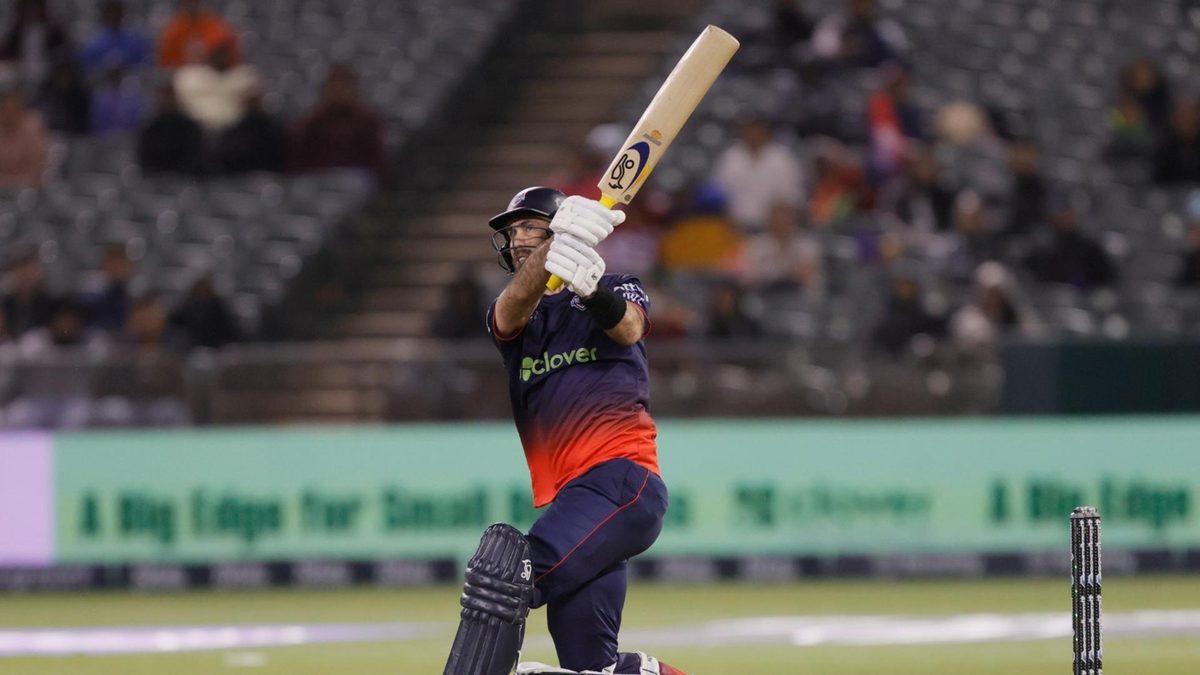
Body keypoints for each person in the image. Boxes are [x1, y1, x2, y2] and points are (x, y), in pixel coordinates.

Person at [443, 187, 683, 675]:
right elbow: (513, 305)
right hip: (578, 498)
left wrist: (591, 290)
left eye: (530, 227)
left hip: (622, 479)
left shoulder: (616, 286)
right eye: (513, 232)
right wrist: (559, 244)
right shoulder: (514, 316)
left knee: (507, 571)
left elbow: (630, 328)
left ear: (559, 227)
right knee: (594, 668)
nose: (517, 239)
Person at [288, 65, 386, 181]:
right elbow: (301, 156)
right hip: (319, 176)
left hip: (355, 177)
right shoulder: (315, 121)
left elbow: (374, 159)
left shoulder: (366, 121)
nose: (339, 91)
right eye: (334, 87)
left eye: (343, 87)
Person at [710, 116, 804, 232]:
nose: (753, 135)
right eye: (750, 131)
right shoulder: (731, 157)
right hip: (734, 226)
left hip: (771, 229)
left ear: (766, 133)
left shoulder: (782, 158)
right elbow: (718, 192)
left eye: (757, 131)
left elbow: (791, 196)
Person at [173, 38, 258, 133]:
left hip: (238, 129)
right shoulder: (187, 76)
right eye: (217, 53)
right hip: (196, 129)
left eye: (224, 53)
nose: (221, 57)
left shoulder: (244, 75)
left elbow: (253, 105)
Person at [0, 0, 72, 91]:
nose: (31, 10)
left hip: (48, 70)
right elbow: (6, 52)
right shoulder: (17, 30)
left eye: (34, 7)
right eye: (27, 7)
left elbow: (63, 51)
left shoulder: (52, 29)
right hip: (21, 71)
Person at [138, 80, 204, 175]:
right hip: (155, 179)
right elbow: (145, 160)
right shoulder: (149, 129)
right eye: (162, 97)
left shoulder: (190, 128)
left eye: (169, 97)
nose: (166, 101)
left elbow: (195, 158)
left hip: (185, 178)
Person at [157, 0, 240, 69]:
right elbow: (167, 65)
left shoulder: (218, 29)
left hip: (212, 77)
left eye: (197, 2)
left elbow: (229, 62)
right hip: (182, 77)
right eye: (190, 3)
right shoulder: (173, 31)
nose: (194, 6)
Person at [81, 0, 151, 76]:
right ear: (104, 14)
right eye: (110, 11)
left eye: (117, 11)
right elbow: (88, 68)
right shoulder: (94, 42)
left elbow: (144, 65)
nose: (114, 15)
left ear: (122, 12)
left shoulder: (135, 40)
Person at [0, 83, 48, 188]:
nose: (8, 114)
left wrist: (11, 183)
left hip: (26, 189)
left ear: (20, 110)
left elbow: (37, 170)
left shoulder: (33, 130)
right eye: (4, 109)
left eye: (12, 110)